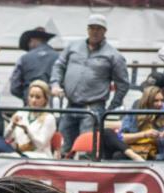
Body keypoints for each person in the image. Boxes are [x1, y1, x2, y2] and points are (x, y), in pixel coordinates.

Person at [50, 14, 129, 156]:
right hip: (70, 105)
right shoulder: (73, 47)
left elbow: (123, 84)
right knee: (62, 148)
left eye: (99, 28)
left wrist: (111, 107)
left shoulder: (113, 55)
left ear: (105, 31)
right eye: (92, 28)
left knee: (86, 151)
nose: (95, 31)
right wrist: (55, 84)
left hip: (92, 109)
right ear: (87, 29)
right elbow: (59, 65)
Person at [5, 80, 58, 158]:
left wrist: (27, 131)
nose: (33, 100)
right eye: (31, 96)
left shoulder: (49, 118)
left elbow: (40, 145)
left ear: (45, 100)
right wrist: (12, 126)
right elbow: (6, 137)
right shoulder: (20, 113)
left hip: (39, 156)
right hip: (18, 153)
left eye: (38, 97)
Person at [10, 27, 58, 100]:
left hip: (30, 104)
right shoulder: (58, 57)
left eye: (28, 42)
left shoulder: (23, 58)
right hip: (51, 105)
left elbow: (14, 87)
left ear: (32, 40)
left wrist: (27, 96)